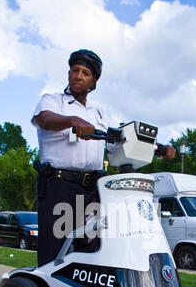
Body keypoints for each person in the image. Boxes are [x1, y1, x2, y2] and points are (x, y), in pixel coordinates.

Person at [31, 49, 175, 267]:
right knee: (55, 250)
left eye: (85, 73)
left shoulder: (99, 114)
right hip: (59, 186)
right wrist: (72, 121)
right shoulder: (53, 101)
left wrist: (159, 148)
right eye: (75, 71)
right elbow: (44, 119)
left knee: (93, 246)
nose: (78, 76)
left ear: (94, 81)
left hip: (93, 191)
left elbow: (120, 140)